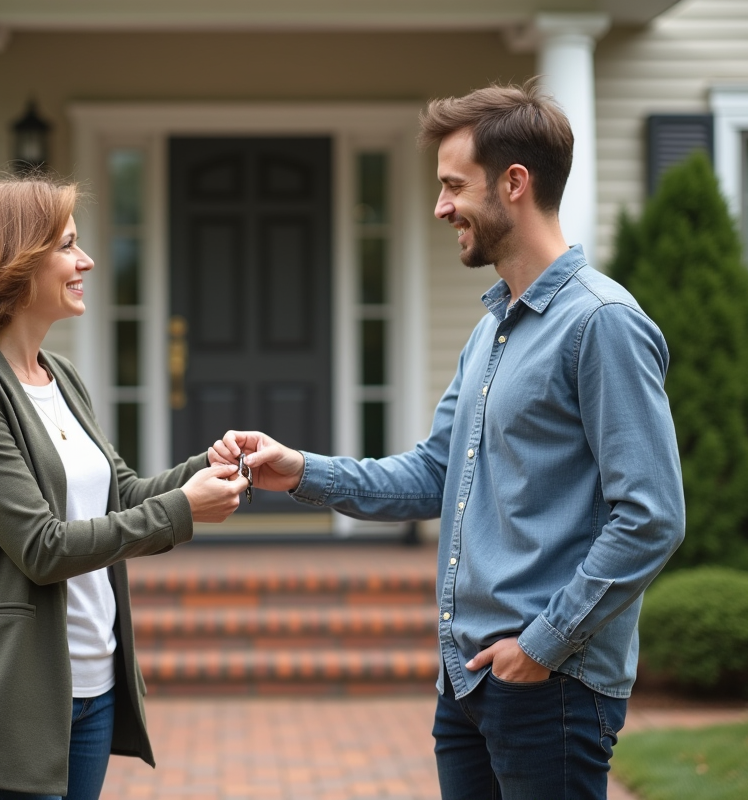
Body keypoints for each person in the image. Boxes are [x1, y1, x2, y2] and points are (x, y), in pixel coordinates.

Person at [212, 83, 685, 799]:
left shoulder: (601, 324)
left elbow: (651, 516)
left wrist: (543, 646)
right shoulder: (492, 330)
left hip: (549, 684)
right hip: (468, 681)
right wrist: (299, 470)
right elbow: (435, 474)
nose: (440, 208)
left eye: (453, 186)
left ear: (515, 184)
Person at [0, 178, 248, 800]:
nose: (87, 261)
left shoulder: (60, 375)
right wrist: (184, 509)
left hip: (93, 683)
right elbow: (42, 548)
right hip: (14, 693)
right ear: (15, 263)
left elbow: (119, 496)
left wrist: (204, 466)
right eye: (68, 246)